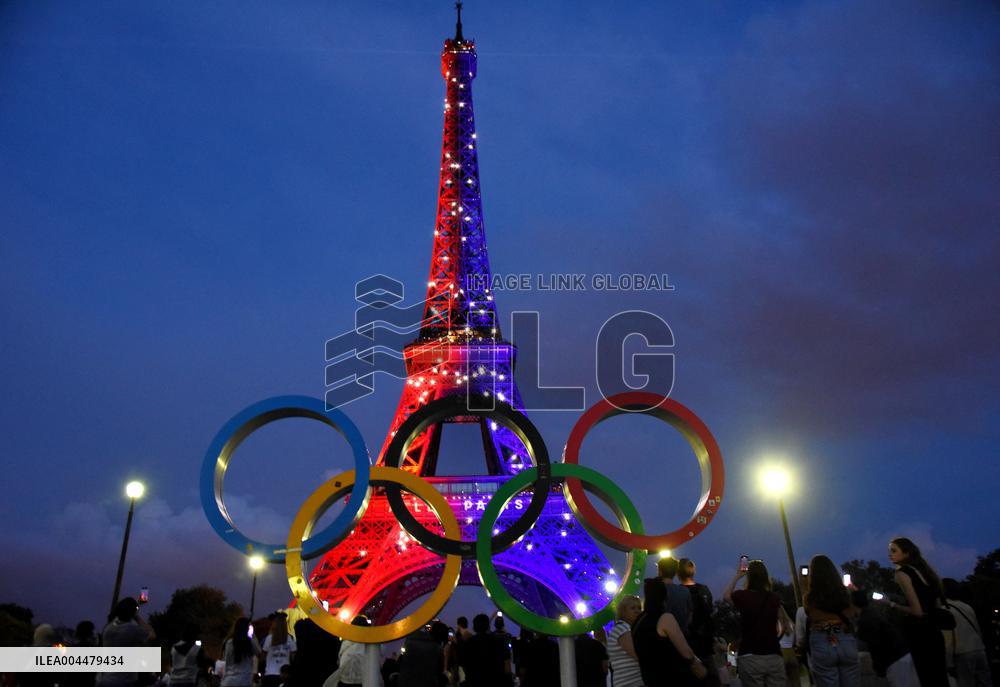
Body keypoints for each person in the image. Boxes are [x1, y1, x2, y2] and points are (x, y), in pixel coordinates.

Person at [886, 537, 948, 686]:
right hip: (935, 632)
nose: (890, 555)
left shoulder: (901, 573)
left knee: (926, 677)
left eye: (894, 551)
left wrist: (892, 604)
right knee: (940, 678)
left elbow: (917, 611)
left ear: (906, 553)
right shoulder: (926, 573)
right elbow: (937, 605)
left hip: (920, 634)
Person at [723, 560, 790, 686]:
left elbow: (726, 596)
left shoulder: (742, 596)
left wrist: (738, 575)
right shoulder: (774, 598)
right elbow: (781, 626)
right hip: (773, 654)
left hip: (750, 655)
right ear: (766, 577)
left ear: (749, 577)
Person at [633, 577, 707, 686]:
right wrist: (699, 666)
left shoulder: (638, 621)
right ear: (665, 596)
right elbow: (686, 652)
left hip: (650, 679)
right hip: (671, 678)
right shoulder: (665, 618)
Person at [803, 555, 859, 686]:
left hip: (822, 640)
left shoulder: (810, 597)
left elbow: (812, 615)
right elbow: (853, 613)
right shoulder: (844, 594)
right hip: (845, 639)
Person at [851, 590, 918, 686]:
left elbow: (874, 646)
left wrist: (880, 671)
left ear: (852, 604)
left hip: (895, 661)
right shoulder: (870, 614)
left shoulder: (865, 620)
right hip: (900, 656)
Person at [942, 578, 992, 687]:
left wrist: (949, 662)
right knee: (985, 682)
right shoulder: (966, 606)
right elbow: (977, 628)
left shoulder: (944, 610)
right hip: (979, 649)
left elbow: (948, 639)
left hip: (962, 653)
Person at [98, 598, 156, 687]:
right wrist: (137, 616)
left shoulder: (108, 628)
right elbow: (152, 634)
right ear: (132, 613)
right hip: (123, 681)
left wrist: (136, 606)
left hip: (105, 680)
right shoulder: (131, 629)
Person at [679, 558, 720, 687]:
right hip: (706, 646)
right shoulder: (705, 590)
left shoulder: (678, 592)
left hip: (686, 648)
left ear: (677, 573)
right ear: (694, 571)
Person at [458, 614, 509, 687]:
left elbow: (463, 664)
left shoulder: (468, 643)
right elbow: (506, 666)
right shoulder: (498, 642)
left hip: (474, 681)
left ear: (474, 627)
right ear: (488, 626)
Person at [606, 595, 643, 687]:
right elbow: (636, 653)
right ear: (623, 611)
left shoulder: (623, 628)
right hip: (630, 681)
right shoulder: (622, 628)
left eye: (639, 608)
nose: (637, 611)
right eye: (632, 608)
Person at [323, 616, 369, 687]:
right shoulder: (371, 645)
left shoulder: (346, 642)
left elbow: (339, 659)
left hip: (345, 679)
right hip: (364, 680)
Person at [398, 621, 448, 687]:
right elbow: (439, 671)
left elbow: (401, 662)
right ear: (441, 637)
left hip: (404, 682)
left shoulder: (411, 640)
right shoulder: (437, 649)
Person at [220, 618, 261, 687]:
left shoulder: (229, 642)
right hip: (244, 681)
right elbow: (259, 653)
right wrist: (252, 635)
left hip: (229, 680)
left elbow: (226, 661)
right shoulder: (250, 643)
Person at [658, 556, 693, 635]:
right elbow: (690, 616)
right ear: (675, 573)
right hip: (682, 636)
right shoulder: (685, 591)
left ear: (660, 571)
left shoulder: (655, 591)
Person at [261, 614, 296, 687]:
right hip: (284, 675)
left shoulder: (269, 638)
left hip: (270, 674)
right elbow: (293, 657)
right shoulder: (289, 639)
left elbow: (263, 656)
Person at [169, 623, 207, 687]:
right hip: (190, 681)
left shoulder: (173, 648)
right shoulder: (197, 649)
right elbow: (202, 666)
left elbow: (171, 665)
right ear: (195, 634)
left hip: (173, 682)